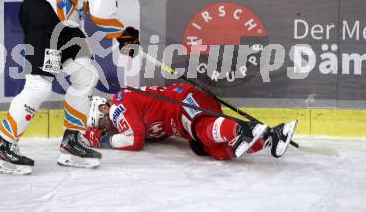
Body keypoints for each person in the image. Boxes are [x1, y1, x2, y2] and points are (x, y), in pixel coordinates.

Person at [0, 0, 139, 175]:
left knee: (85, 75)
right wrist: (125, 37)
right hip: (45, 14)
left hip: (58, 16)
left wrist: (85, 31)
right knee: (40, 85)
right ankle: (5, 145)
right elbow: (103, 14)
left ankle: (72, 141)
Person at [84, 83, 298, 161]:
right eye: (101, 127)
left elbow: (135, 139)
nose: (106, 127)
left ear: (103, 108)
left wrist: (102, 140)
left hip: (180, 103)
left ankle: (245, 129)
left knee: (203, 130)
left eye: (100, 123)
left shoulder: (117, 107)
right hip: (184, 106)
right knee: (212, 150)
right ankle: (272, 136)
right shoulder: (126, 110)